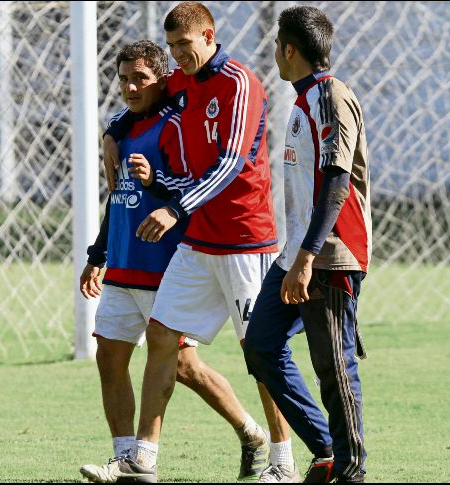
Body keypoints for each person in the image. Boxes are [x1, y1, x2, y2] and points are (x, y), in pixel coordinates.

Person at [84, 2, 298, 483]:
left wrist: (174, 206)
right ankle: (142, 461)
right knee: (162, 338)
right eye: (173, 46)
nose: (180, 54)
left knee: (261, 353)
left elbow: (229, 163)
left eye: (186, 44)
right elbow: (140, 103)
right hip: (200, 240)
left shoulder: (240, 83)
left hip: (245, 240)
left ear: (209, 36)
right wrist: (114, 131)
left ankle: (283, 462)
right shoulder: (179, 83)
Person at [243, 6, 371, 483]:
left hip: (329, 253)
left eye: (277, 45)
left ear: (290, 50)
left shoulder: (331, 95)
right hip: (297, 253)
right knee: (260, 345)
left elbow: (338, 181)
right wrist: (296, 256)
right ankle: (326, 448)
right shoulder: (303, 101)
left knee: (333, 365)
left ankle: (351, 470)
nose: (274, 53)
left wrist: (308, 257)